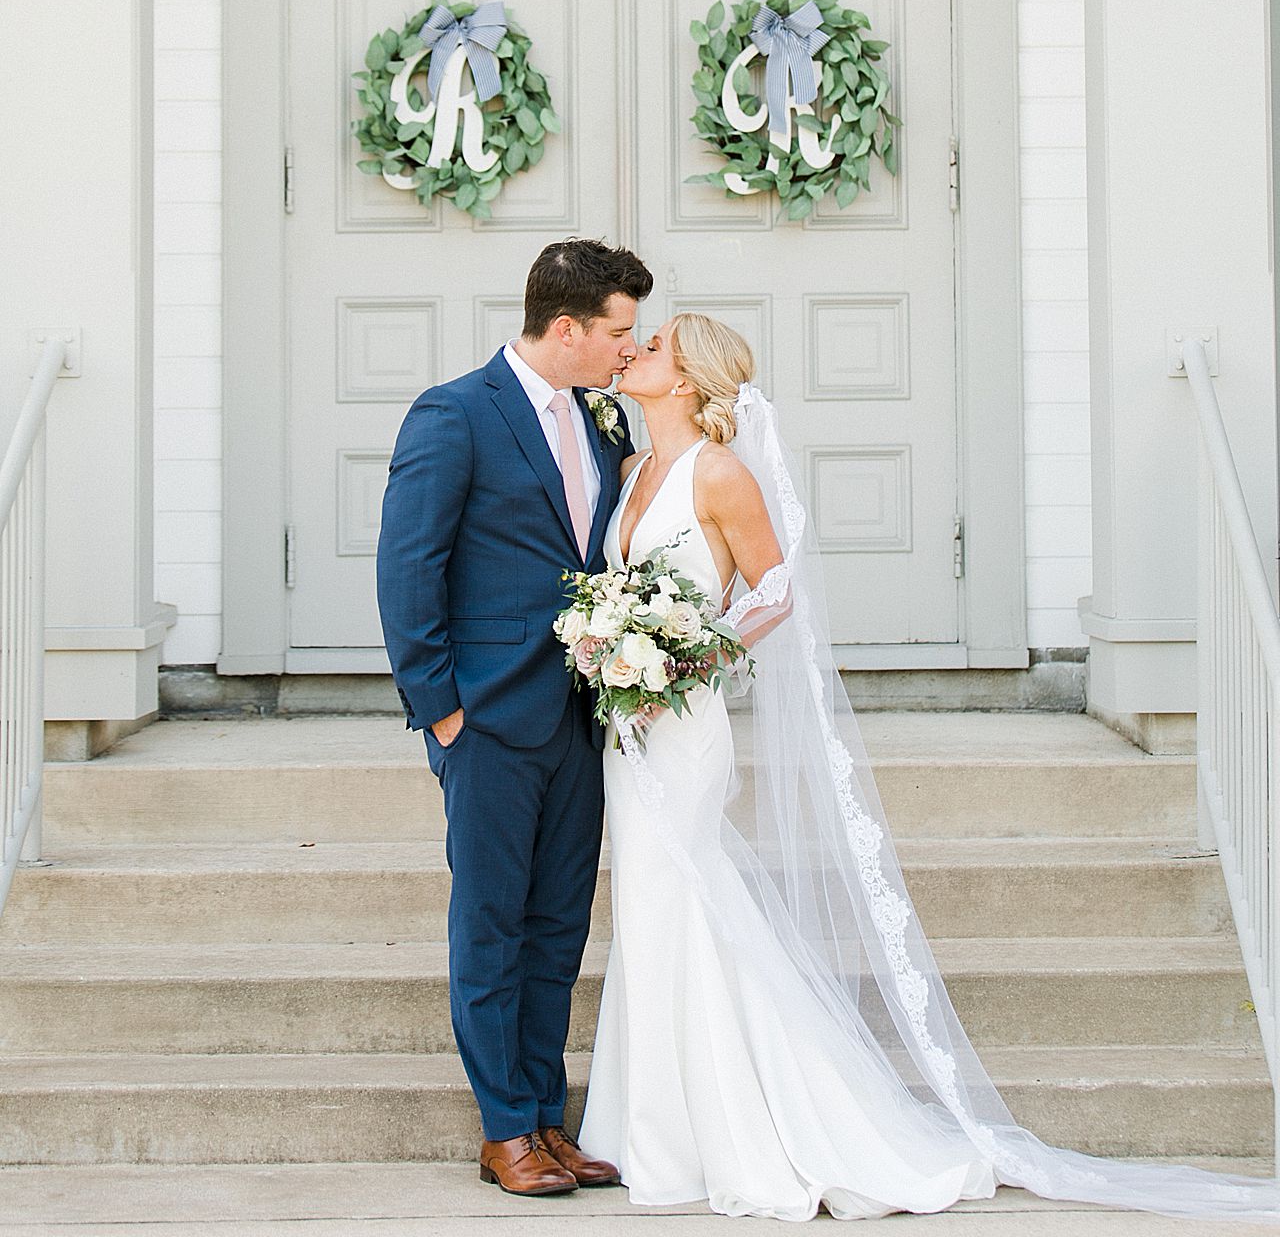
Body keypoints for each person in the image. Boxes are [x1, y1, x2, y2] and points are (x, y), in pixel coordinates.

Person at [579, 311, 1280, 1223]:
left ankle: (735, 1126)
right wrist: (612, 641)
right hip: (630, 730)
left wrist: (696, 652)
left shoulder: (720, 472)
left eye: (657, 345)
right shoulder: (635, 471)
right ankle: (657, 1124)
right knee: (651, 906)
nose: (634, 351)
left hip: (684, 721)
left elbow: (777, 587)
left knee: (685, 896)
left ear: (687, 379)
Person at [376, 238, 652, 1198]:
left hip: (581, 715)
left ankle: (546, 1116)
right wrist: (441, 712)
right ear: (567, 327)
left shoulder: (606, 420)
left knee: (558, 926)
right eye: (620, 331)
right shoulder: (456, 414)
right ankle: (503, 1130)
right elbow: (407, 569)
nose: (632, 347)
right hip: (489, 721)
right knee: (491, 926)